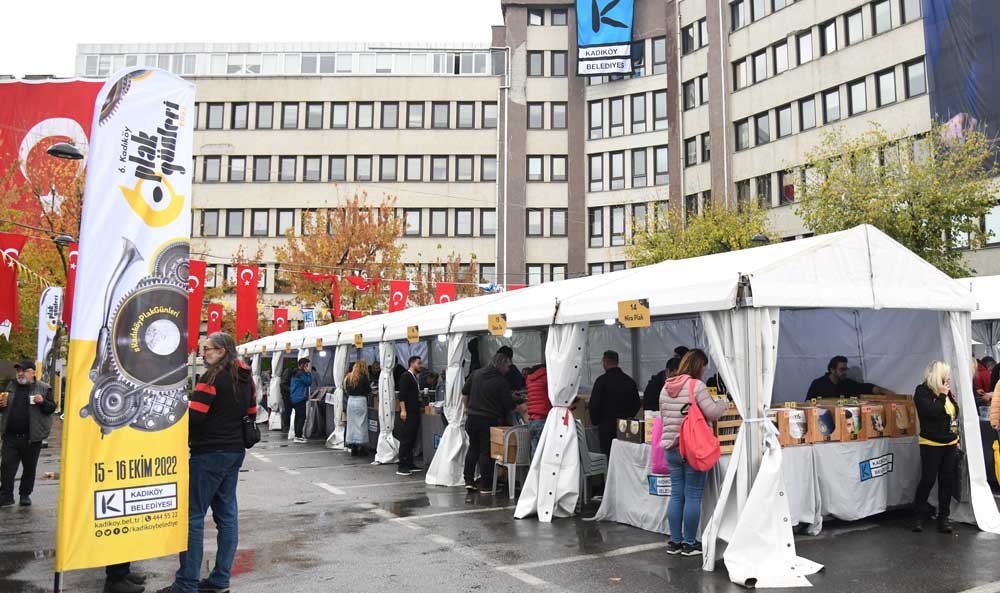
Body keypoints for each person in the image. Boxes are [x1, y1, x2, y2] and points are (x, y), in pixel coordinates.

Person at [156, 333, 253, 593]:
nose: (202, 353)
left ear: (221, 351)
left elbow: (196, 417)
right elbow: (252, 412)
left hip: (208, 452)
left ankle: (186, 582)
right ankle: (221, 579)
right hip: (235, 451)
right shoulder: (245, 377)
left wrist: (182, 408)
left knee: (194, 517)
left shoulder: (210, 378)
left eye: (207, 349)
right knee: (227, 515)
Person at [659, 349, 729, 556]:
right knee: (693, 496)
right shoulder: (696, 386)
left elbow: (664, 417)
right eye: (704, 367)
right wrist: (724, 403)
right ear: (699, 366)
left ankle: (675, 542)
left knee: (676, 495)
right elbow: (713, 413)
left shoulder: (665, 387)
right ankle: (690, 544)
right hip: (692, 448)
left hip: (671, 447)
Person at [912, 361, 960, 534]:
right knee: (928, 479)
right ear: (936, 376)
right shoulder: (922, 391)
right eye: (945, 375)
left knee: (947, 481)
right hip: (931, 443)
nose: (948, 379)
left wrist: (956, 435)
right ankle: (918, 515)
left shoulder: (947, 392)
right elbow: (931, 412)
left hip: (950, 443)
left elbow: (954, 413)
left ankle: (944, 517)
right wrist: (941, 396)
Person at [0, 359, 55, 508]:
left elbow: (51, 408)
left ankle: (25, 495)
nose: (20, 373)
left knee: (29, 468)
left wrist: (42, 402)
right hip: (10, 435)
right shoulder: (10, 386)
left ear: (33, 373)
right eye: (18, 371)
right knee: (6, 466)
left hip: (32, 436)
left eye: (24, 370)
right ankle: (6, 496)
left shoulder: (44, 388)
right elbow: (4, 408)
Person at [463, 351, 520, 493]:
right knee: (486, 452)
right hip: (489, 420)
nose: (508, 369)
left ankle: (468, 480)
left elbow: (465, 391)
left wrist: (466, 408)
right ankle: (486, 485)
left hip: (472, 417)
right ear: (500, 364)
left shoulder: (476, 374)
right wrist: (516, 403)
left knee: (472, 448)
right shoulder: (501, 381)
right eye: (508, 366)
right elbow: (507, 404)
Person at [588, 351, 640, 457]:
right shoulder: (629, 381)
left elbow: (594, 404)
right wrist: (628, 416)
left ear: (606, 362)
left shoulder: (601, 381)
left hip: (606, 425)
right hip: (625, 425)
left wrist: (596, 421)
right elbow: (637, 403)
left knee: (608, 455)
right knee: (624, 455)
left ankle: (609, 473)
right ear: (617, 362)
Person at [805, 356, 897, 399]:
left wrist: (885, 391)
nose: (845, 372)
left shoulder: (847, 383)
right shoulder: (818, 384)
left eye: (846, 369)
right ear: (832, 370)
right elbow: (807, 403)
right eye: (842, 370)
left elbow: (865, 387)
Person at [396, 356, 423, 475]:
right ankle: (402, 465)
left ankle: (409, 462)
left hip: (415, 411)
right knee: (406, 438)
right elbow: (402, 395)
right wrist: (403, 410)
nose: (420, 365)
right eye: (418, 363)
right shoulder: (405, 376)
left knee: (412, 438)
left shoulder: (414, 377)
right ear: (412, 363)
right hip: (409, 412)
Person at [344, 360, 370, 457]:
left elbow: (345, 389)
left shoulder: (348, 377)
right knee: (361, 424)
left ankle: (353, 447)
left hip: (351, 401)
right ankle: (362, 447)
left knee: (352, 424)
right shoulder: (364, 378)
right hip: (360, 400)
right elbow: (368, 390)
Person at [525, 365, 549, 456]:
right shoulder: (547, 377)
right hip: (543, 418)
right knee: (544, 452)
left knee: (535, 450)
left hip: (532, 420)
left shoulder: (529, 379)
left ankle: (533, 469)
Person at [290, 358, 312, 443]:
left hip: (295, 397)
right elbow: (308, 382)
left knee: (298, 417)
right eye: (306, 365)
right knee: (302, 417)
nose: (307, 367)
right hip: (300, 397)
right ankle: (298, 436)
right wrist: (308, 373)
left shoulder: (296, 373)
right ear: (302, 365)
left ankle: (297, 435)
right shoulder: (300, 373)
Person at [279, 363, 296, 432]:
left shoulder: (288, 372)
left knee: (287, 411)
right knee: (288, 411)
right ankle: (286, 426)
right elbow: (283, 384)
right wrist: (292, 390)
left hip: (287, 395)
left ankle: (286, 426)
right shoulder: (289, 373)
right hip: (287, 395)